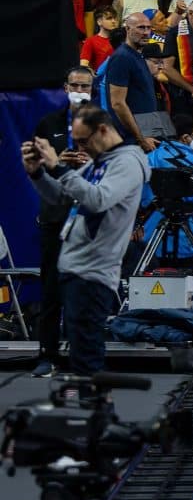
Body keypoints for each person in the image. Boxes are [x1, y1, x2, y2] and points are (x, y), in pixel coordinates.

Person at [20, 105, 146, 378]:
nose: (81, 148)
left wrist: (59, 166)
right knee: (81, 355)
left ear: (103, 130)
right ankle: (92, 408)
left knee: (87, 358)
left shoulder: (127, 162)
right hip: (75, 265)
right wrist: (38, 173)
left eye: (83, 141)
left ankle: (96, 412)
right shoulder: (98, 162)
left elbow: (98, 200)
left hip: (95, 271)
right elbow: (61, 196)